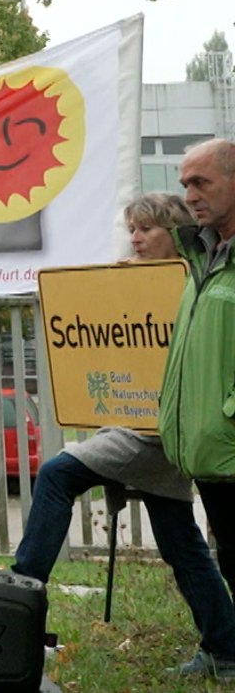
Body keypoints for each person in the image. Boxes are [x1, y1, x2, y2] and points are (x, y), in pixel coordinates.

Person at [18, 194, 235, 680]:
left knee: (57, 474)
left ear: (173, 232)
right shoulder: (142, 280)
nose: (135, 238)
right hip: (137, 425)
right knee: (182, 544)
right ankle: (224, 648)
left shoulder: (194, 281)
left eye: (147, 230)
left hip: (160, 431)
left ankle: (18, 599)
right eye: (132, 229)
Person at [161, 140, 235, 665]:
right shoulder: (200, 254)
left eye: (201, 182)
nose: (189, 195)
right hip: (211, 448)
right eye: (185, 183)